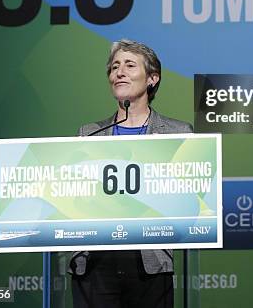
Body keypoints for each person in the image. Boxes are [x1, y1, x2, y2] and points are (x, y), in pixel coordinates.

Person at [70, 39, 192, 308]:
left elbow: (191, 198)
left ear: (152, 78)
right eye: (114, 67)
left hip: (149, 263)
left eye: (129, 65)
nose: (119, 72)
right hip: (96, 264)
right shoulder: (87, 134)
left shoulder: (178, 133)